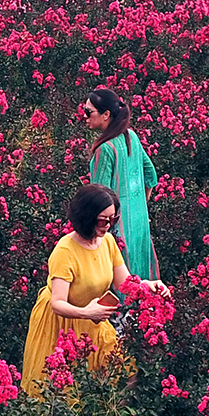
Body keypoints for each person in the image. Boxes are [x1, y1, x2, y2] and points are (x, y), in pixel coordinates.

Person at [21, 184, 169, 396]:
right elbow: (58, 303)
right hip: (62, 323)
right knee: (59, 392)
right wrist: (87, 313)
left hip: (94, 319)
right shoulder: (65, 251)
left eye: (113, 219)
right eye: (103, 220)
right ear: (86, 216)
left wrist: (150, 285)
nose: (108, 225)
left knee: (125, 370)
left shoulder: (107, 241)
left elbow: (124, 283)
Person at [83, 89, 160, 280]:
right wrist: (139, 205)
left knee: (121, 285)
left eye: (88, 112)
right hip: (139, 225)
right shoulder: (130, 136)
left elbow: (98, 201)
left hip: (117, 233)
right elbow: (151, 176)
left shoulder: (105, 150)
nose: (84, 117)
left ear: (106, 114)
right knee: (142, 286)